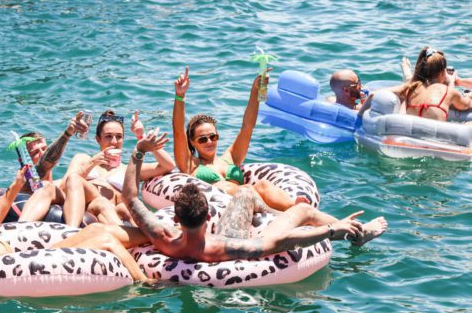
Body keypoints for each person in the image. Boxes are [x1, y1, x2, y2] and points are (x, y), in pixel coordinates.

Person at [122, 131, 388, 264]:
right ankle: (358, 234)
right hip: (236, 237)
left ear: (176, 217)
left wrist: (139, 151)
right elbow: (278, 241)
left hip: (202, 242)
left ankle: (264, 210)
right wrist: (332, 230)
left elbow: (131, 198)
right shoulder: (224, 247)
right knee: (303, 212)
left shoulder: (163, 237)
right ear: (207, 216)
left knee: (247, 193)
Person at [0, 173, 148, 281]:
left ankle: (153, 239)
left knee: (95, 230)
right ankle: (145, 284)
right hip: (40, 265)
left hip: (39, 255)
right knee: (106, 241)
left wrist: (14, 187)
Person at [172, 67, 297, 210]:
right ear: (192, 142)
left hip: (251, 201)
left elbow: (247, 127)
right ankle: (278, 212)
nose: (209, 142)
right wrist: (180, 96)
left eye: (213, 137)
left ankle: (295, 207)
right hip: (226, 208)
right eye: (202, 139)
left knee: (263, 185)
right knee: (247, 190)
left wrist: (255, 89)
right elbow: (178, 132)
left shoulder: (231, 157)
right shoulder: (190, 164)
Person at [5, 112, 122, 227]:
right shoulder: (26, 183)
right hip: (27, 209)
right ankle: (20, 228)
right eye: (35, 152)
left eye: (44, 149)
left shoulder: (56, 186)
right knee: (46, 185)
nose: (42, 153)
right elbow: (44, 166)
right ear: (23, 159)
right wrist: (68, 133)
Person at [64, 109, 175, 223]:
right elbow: (64, 186)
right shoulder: (83, 159)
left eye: (119, 136)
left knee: (124, 208)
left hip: (114, 213)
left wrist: (142, 136)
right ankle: (71, 230)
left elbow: (168, 166)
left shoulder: (129, 169)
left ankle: (148, 238)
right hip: (88, 209)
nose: (114, 141)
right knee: (89, 191)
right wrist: (93, 162)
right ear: (98, 139)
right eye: (108, 136)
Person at [362, 47, 472, 122]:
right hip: (435, 143)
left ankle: (405, 67)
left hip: (409, 138)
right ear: (443, 72)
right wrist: (454, 83)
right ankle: (405, 67)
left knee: (408, 81)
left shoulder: (411, 88)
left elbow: (372, 95)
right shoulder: (448, 92)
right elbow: (466, 104)